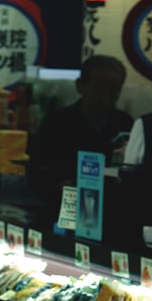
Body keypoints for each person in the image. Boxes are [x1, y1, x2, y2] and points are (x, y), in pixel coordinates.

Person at [27, 55, 132, 213]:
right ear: (80, 86)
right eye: (99, 90)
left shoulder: (126, 124)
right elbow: (38, 172)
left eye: (113, 92)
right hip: (62, 211)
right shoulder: (57, 123)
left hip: (114, 211)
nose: (105, 98)